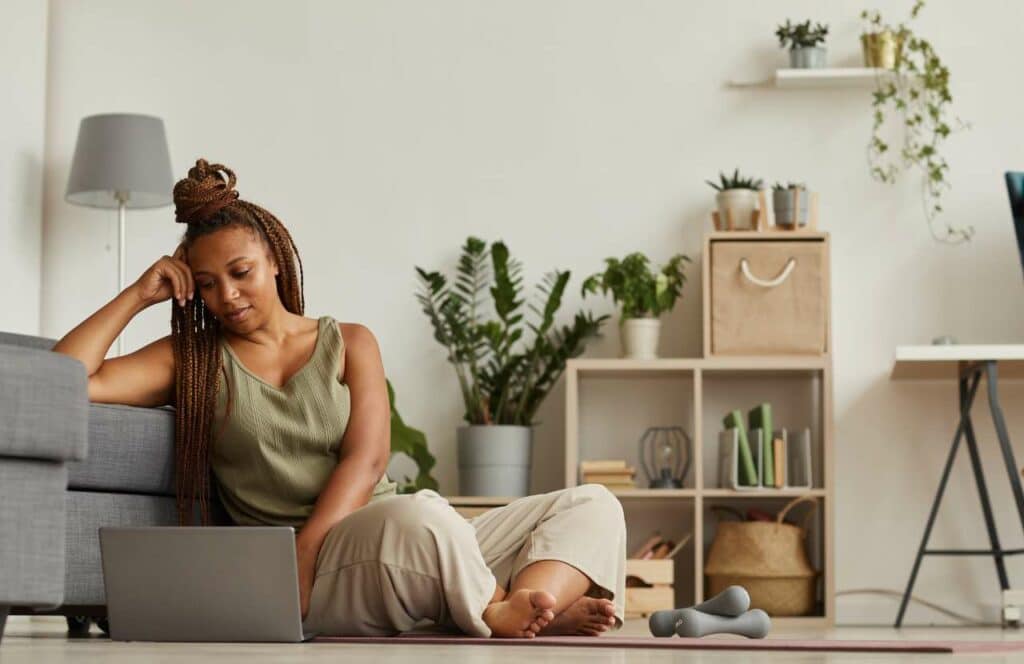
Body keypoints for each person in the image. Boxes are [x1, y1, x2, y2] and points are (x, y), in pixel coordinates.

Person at [52, 158, 627, 638]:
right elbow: (61, 382)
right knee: (423, 519)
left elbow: (368, 459)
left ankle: (521, 606)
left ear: (275, 261)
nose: (225, 294)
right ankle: (499, 608)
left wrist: (303, 554)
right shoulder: (191, 359)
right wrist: (137, 294)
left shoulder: (350, 341)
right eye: (206, 283)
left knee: (592, 504)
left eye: (240, 271)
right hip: (334, 567)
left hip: (382, 535)